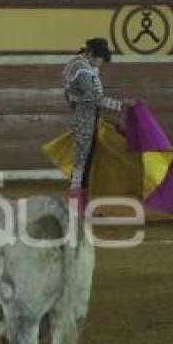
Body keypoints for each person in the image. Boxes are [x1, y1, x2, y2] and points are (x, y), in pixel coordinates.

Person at [60, 38, 129, 213]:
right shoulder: (82, 69)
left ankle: (81, 209)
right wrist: (120, 105)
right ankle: (76, 210)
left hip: (86, 116)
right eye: (100, 58)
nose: (101, 63)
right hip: (85, 118)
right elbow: (92, 98)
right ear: (91, 54)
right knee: (81, 164)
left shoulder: (79, 65)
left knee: (85, 164)